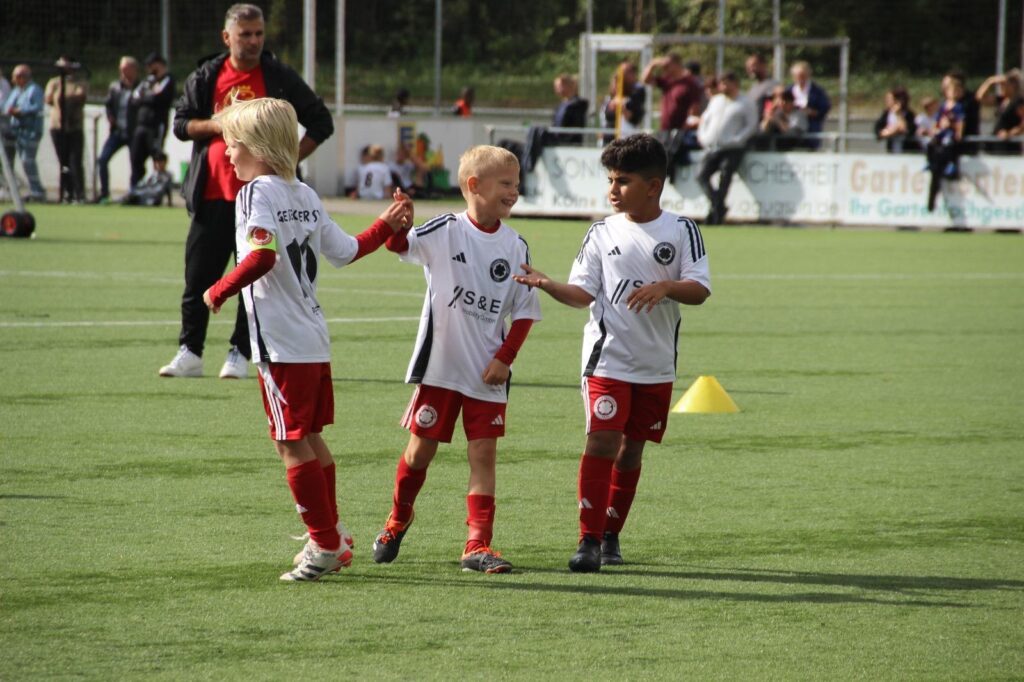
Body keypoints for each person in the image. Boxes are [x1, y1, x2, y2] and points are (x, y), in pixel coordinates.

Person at [201, 97, 412, 581]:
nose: (228, 153)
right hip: (313, 337)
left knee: (289, 443)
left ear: (257, 146)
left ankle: (325, 543)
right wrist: (387, 223)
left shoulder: (255, 193)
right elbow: (347, 251)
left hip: (280, 341)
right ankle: (332, 532)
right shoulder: (305, 194)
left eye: (233, 144)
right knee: (310, 438)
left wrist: (219, 289)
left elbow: (262, 257)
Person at [512, 134, 711, 572]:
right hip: (607, 360)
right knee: (602, 440)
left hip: (656, 365)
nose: (613, 190)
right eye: (610, 180)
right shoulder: (601, 232)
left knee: (631, 451)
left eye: (623, 181)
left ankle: (610, 535)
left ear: (653, 186)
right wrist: (548, 284)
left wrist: (667, 286)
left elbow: (699, 289)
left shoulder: (682, 230)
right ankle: (587, 540)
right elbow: (582, 294)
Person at [370, 145, 542, 574]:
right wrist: (399, 224)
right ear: (474, 185)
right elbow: (399, 246)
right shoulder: (446, 229)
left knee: (483, 455)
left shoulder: (515, 245)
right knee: (419, 452)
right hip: (441, 370)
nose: (514, 192)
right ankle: (398, 519)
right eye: (506, 184)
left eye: (517, 184)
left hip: (487, 374)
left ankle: (477, 544)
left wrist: (505, 358)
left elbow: (524, 312)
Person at [159, 3, 334, 380]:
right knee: (198, 277)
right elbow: (181, 124)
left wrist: (285, 159)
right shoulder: (207, 75)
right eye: (245, 35)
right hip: (212, 195)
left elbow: (321, 121)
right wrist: (219, 125)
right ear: (227, 37)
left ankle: (239, 352)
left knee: (254, 274)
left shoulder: (278, 76)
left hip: (263, 201)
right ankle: (190, 351)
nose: (254, 41)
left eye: (259, 34)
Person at [696, 72, 759, 225]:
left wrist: (737, 139)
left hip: (733, 148)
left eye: (725, 83)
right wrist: (703, 136)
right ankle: (718, 206)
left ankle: (716, 212)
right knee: (701, 175)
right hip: (713, 147)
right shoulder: (716, 100)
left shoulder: (746, 102)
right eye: (721, 83)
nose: (722, 87)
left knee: (725, 175)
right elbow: (705, 120)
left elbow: (751, 125)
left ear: (735, 83)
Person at [93, 56, 140, 204]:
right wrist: (110, 116)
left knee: (135, 164)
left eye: (125, 68)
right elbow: (108, 104)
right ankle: (104, 194)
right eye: (121, 68)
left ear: (133, 69)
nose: (122, 71)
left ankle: (133, 194)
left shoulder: (141, 87)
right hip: (117, 132)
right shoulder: (115, 87)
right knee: (103, 159)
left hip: (134, 133)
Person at [44, 56, 88, 203]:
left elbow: (79, 97)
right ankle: (66, 192)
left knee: (75, 161)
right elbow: (49, 99)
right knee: (63, 162)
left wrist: (65, 98)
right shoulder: (54, 82)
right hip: (57, 126)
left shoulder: (79, 82)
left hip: (74, 126)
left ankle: (79, 194)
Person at [129, 53, 176, 189]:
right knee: (136, 157)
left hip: (156, 125)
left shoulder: (168, 80)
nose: (148, 69)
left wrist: (147, 97)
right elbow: (134, 98)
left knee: (157, 156)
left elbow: (160, 99)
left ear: (159, 64)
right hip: (141, 125)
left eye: (151, 65)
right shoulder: (148, 81)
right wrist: (149, 96)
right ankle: (136, 189)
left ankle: (157, 190)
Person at [2, 64, 46, 202]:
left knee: (28, 160)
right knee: (19, 160)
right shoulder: (16, 91)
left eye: (15, 77)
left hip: (31, 131)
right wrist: (10, 110)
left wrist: (20, 111)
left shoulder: (34, 90)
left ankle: (37, 191)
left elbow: (37, 107)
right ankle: (18, 189)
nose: (13, 80)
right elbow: (7, 106)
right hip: (17, 131)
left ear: (22, 77)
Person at [926, 77, 966, 212]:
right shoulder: (943, 106)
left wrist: (955, 129)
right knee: (931, 148)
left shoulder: (959, 107)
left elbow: (960, 123)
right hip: (940, 138)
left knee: (948, 146)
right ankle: (931, 202)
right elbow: (936, 122)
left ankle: (951, 164)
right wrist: (935, 129)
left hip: (949, 138)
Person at [642, 52, 701, 133]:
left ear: (676, 64)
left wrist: (687, 124)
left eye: (667, 65)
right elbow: (645, 80)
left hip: (681, 130)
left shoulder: (690, 83)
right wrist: (653, 64)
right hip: (665, 129)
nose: (664, 67)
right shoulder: (667, 80)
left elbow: (695, 107)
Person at [976, 69, 1023, 154]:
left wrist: (1010, 133)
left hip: (1008, 145)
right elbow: (980, 97)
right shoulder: (1001, 100)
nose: (1001, 87)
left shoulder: (1018, 102)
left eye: (1004, 85)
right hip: (996, 142)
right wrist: (990, 81)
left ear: (1013, 86)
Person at [788, 61, 830, 149]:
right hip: (792, 128)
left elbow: (824, 108)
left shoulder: (817, 91)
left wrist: (811, 112)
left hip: (811, 129)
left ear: (808, 75)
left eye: (802, 76)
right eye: (797, 76)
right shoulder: (789, 90)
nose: (800, 79)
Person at [603, 61, 646, 138]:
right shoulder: (609, 100)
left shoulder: (637, 93)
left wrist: (623, 108)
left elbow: (636, 117)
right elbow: (607, 116)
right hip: (610, 137)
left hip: (626, 136)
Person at [873, 86, 917, 153]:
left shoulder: (909, 114)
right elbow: (878, 129)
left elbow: (906, 130)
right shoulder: (887, 113)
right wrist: (887, 132)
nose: (887, 101)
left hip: (906, 149)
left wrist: (898, 115)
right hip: (891, 149)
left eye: (890, 99)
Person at [550, 73, 589, 145]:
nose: (556, 89)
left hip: (570, 144)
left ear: (567, 86)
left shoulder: (578, 104)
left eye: (558, 86)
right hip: (557, 143)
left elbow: (576, 126)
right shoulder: (560, 105)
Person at [745, 53, 778, 119]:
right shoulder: (753, 87)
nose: (750, 69)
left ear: (763, 65)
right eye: (748, 67)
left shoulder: (772, 85)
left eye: (753, 66)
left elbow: (772, 105)